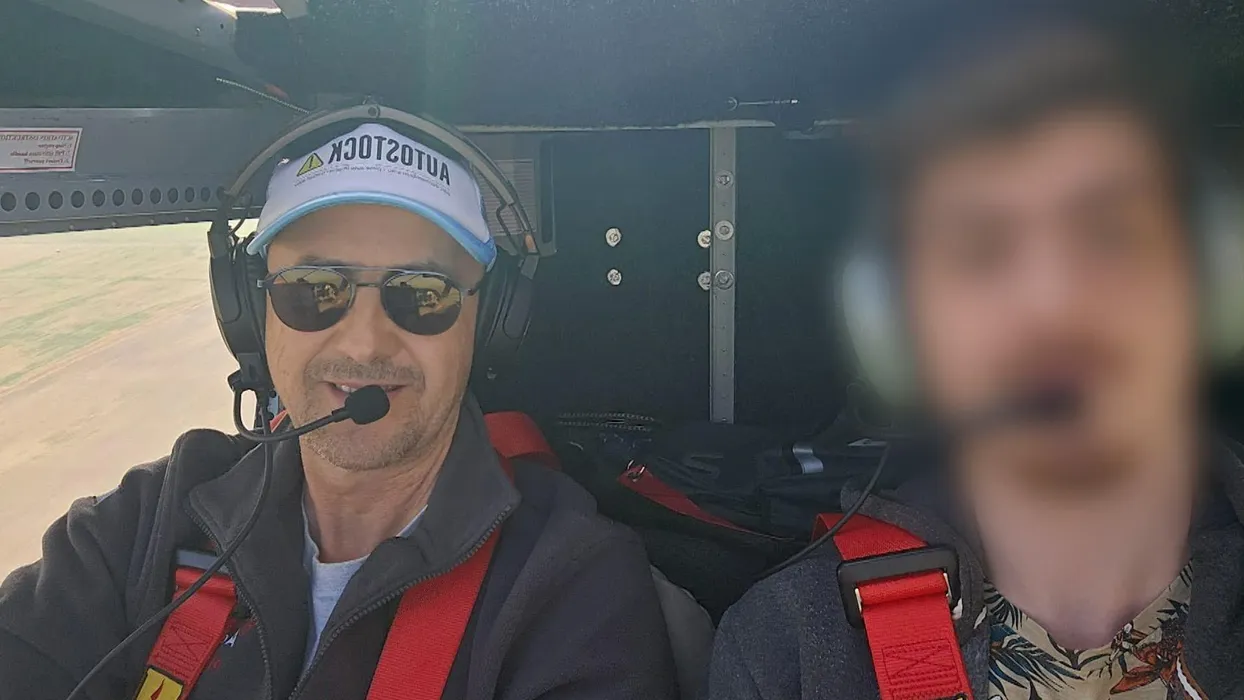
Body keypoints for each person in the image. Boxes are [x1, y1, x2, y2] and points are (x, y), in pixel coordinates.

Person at [0, 117, 678, 700]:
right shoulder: (138, 527)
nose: (364, 342)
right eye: (314, 287)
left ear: (492, 322)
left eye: (423, 292)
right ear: (250, 311)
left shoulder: (569, 589)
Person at [707, 5, 1244, 700]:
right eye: (978, 248)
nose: (1052, 303)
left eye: (1110, 232)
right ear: (899, 322)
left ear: (1208, 279)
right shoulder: (790, 650)